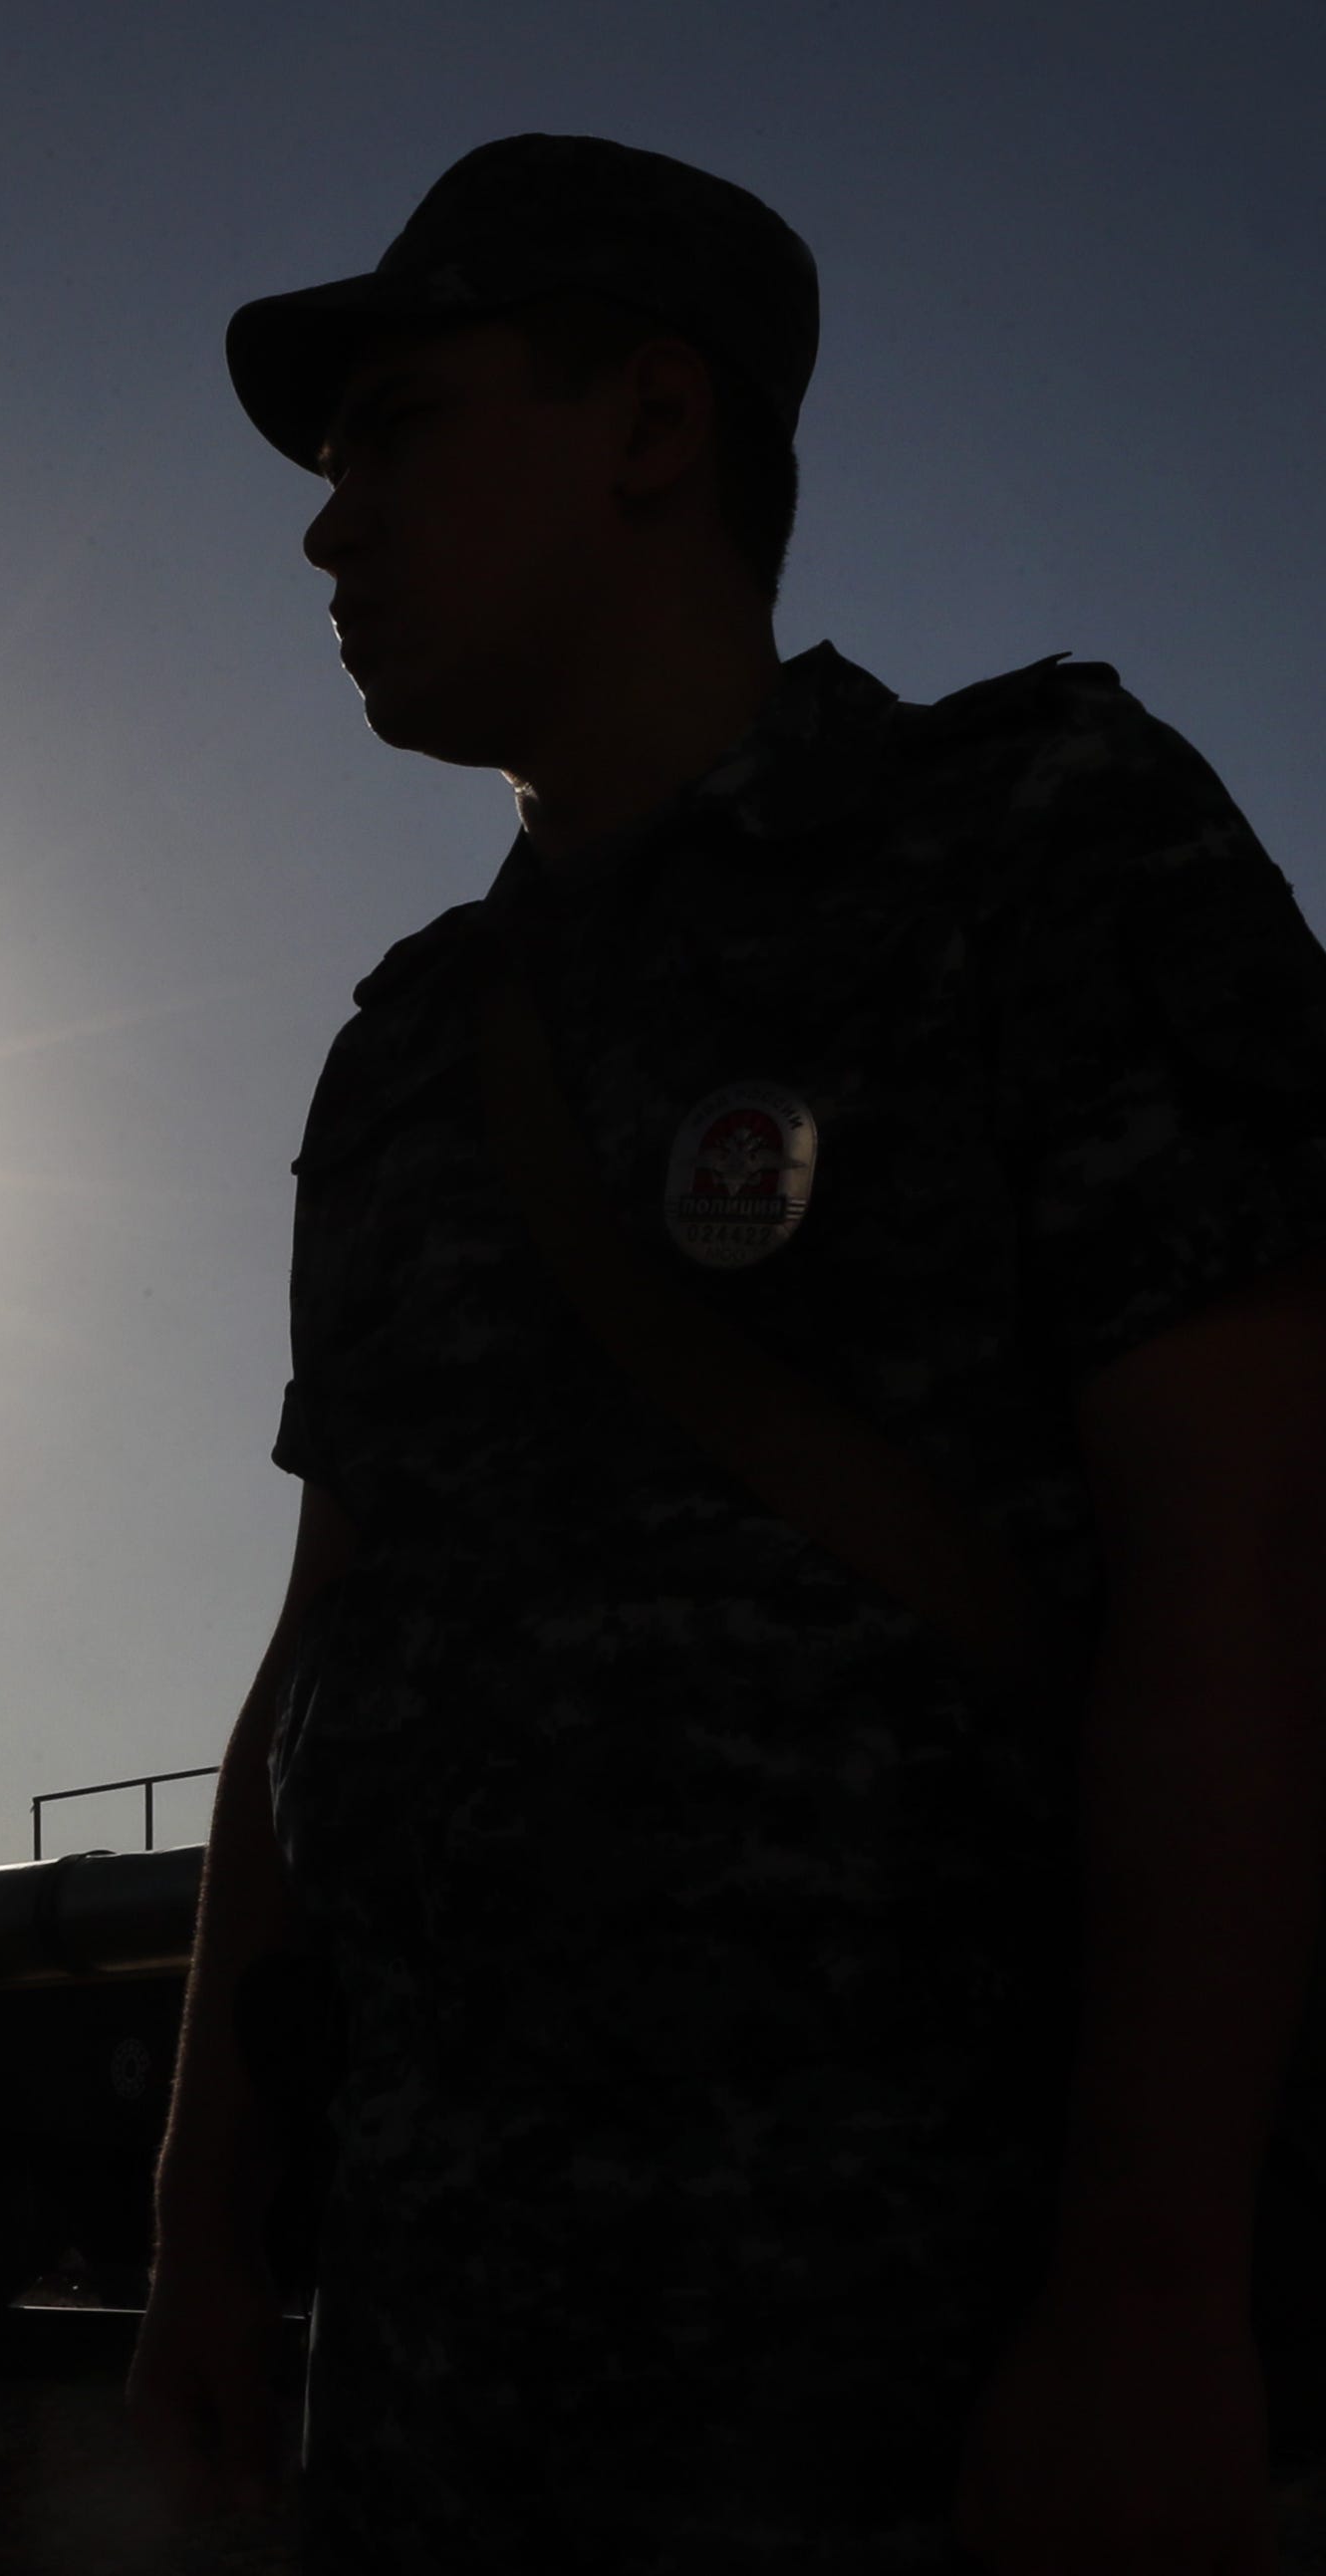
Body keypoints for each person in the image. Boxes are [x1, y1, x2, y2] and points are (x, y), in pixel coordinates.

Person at [126, 132, 1326, 2573]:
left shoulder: (1035, 846)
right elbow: (311, 1665)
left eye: (395, 430)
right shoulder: (405, 1055)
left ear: (651, 426)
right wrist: (201, 2220)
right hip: (446, 2384)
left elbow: (1251, 1591)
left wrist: (1151, 2294)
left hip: (908, 2372)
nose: (322, 529)